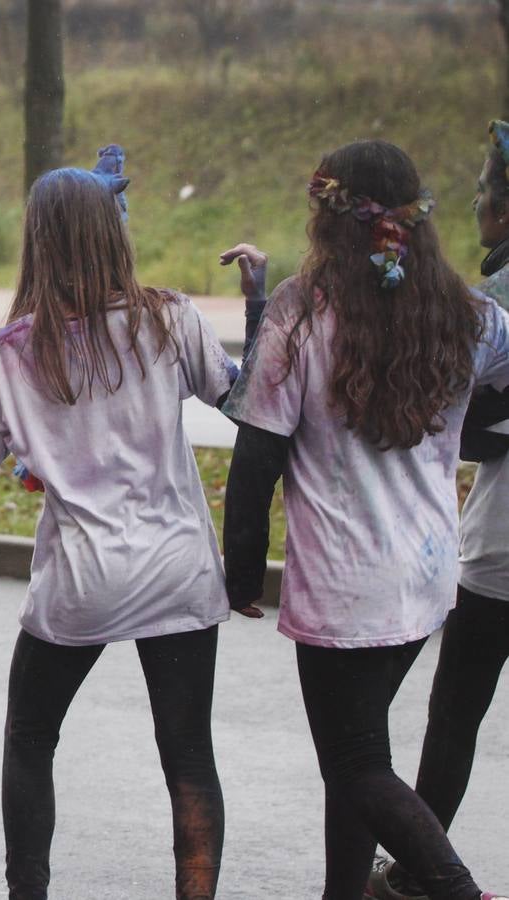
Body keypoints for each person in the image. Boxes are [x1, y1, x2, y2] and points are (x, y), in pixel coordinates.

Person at [0, 148, 241, 900]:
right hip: (179, 569)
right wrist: (263, 307)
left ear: (37, 242)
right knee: (187, 753)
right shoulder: (173, 319)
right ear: (114, 233)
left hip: (83, 584)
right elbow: (248, 402)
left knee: (30, 741)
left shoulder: (14, 353)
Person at [223, 139, 509, 900]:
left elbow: (255, 461)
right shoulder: (469, 315)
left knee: (354, 765)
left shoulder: (301, 310)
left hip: (345, 588)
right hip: (426, 577)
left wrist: (240, 572)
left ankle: (454, 889)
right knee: (360, 755)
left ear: (328, 215)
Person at [369, 122, 509, 900]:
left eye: (487, 192)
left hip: (496, 558)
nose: (477, 203)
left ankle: (423, 877)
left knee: (453, 719)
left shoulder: (487, 307)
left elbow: (455, 422)